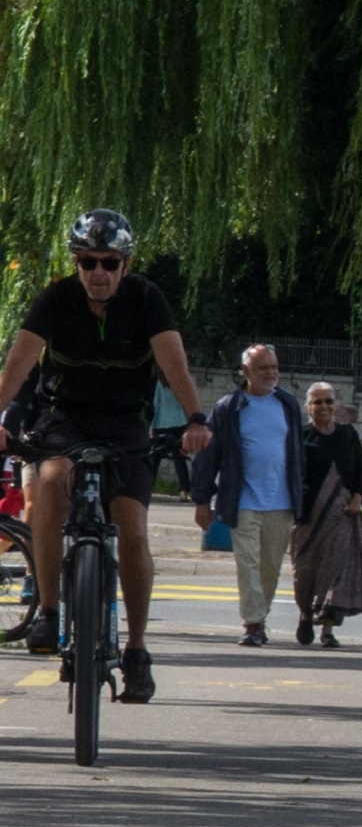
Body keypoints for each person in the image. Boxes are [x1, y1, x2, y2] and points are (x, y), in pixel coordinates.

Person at [0, 209, 209, 702]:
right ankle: (49, 611)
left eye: (110, 263)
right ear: (76, 263)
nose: (99, 272)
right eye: (88, 262)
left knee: (132, 533)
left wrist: (197, 419)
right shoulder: (55, 299)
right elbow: (17, 366)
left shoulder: (146, 299)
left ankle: (136, 650)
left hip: (125, 424)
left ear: (125, 263)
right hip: (64, 419)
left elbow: (173, 362)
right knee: (50, 480)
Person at [191, 344, 305, 647]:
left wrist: (302, 497)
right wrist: (202, 500)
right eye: (262, 368)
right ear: (245, 372)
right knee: (248, 563)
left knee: (270, 566)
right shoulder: (229, 408)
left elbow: (298, 455)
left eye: (273, 367)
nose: (270, 373)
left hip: (281, 502)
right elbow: (208, 455)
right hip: (243, 500)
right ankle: (253, 623)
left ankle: (259, 617)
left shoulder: (288, 405)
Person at [291, 383, 362, 648]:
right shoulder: (300, 436)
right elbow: (291, 475)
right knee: (305, 572)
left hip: (343, 516)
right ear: (309, 407)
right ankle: (306, 612)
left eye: (328, 401)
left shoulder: (346, 435)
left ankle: (327, 629)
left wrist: (358, 498)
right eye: (318, 402)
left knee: (337, 571)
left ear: (336, 405)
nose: (324, 407)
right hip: (309, 518)